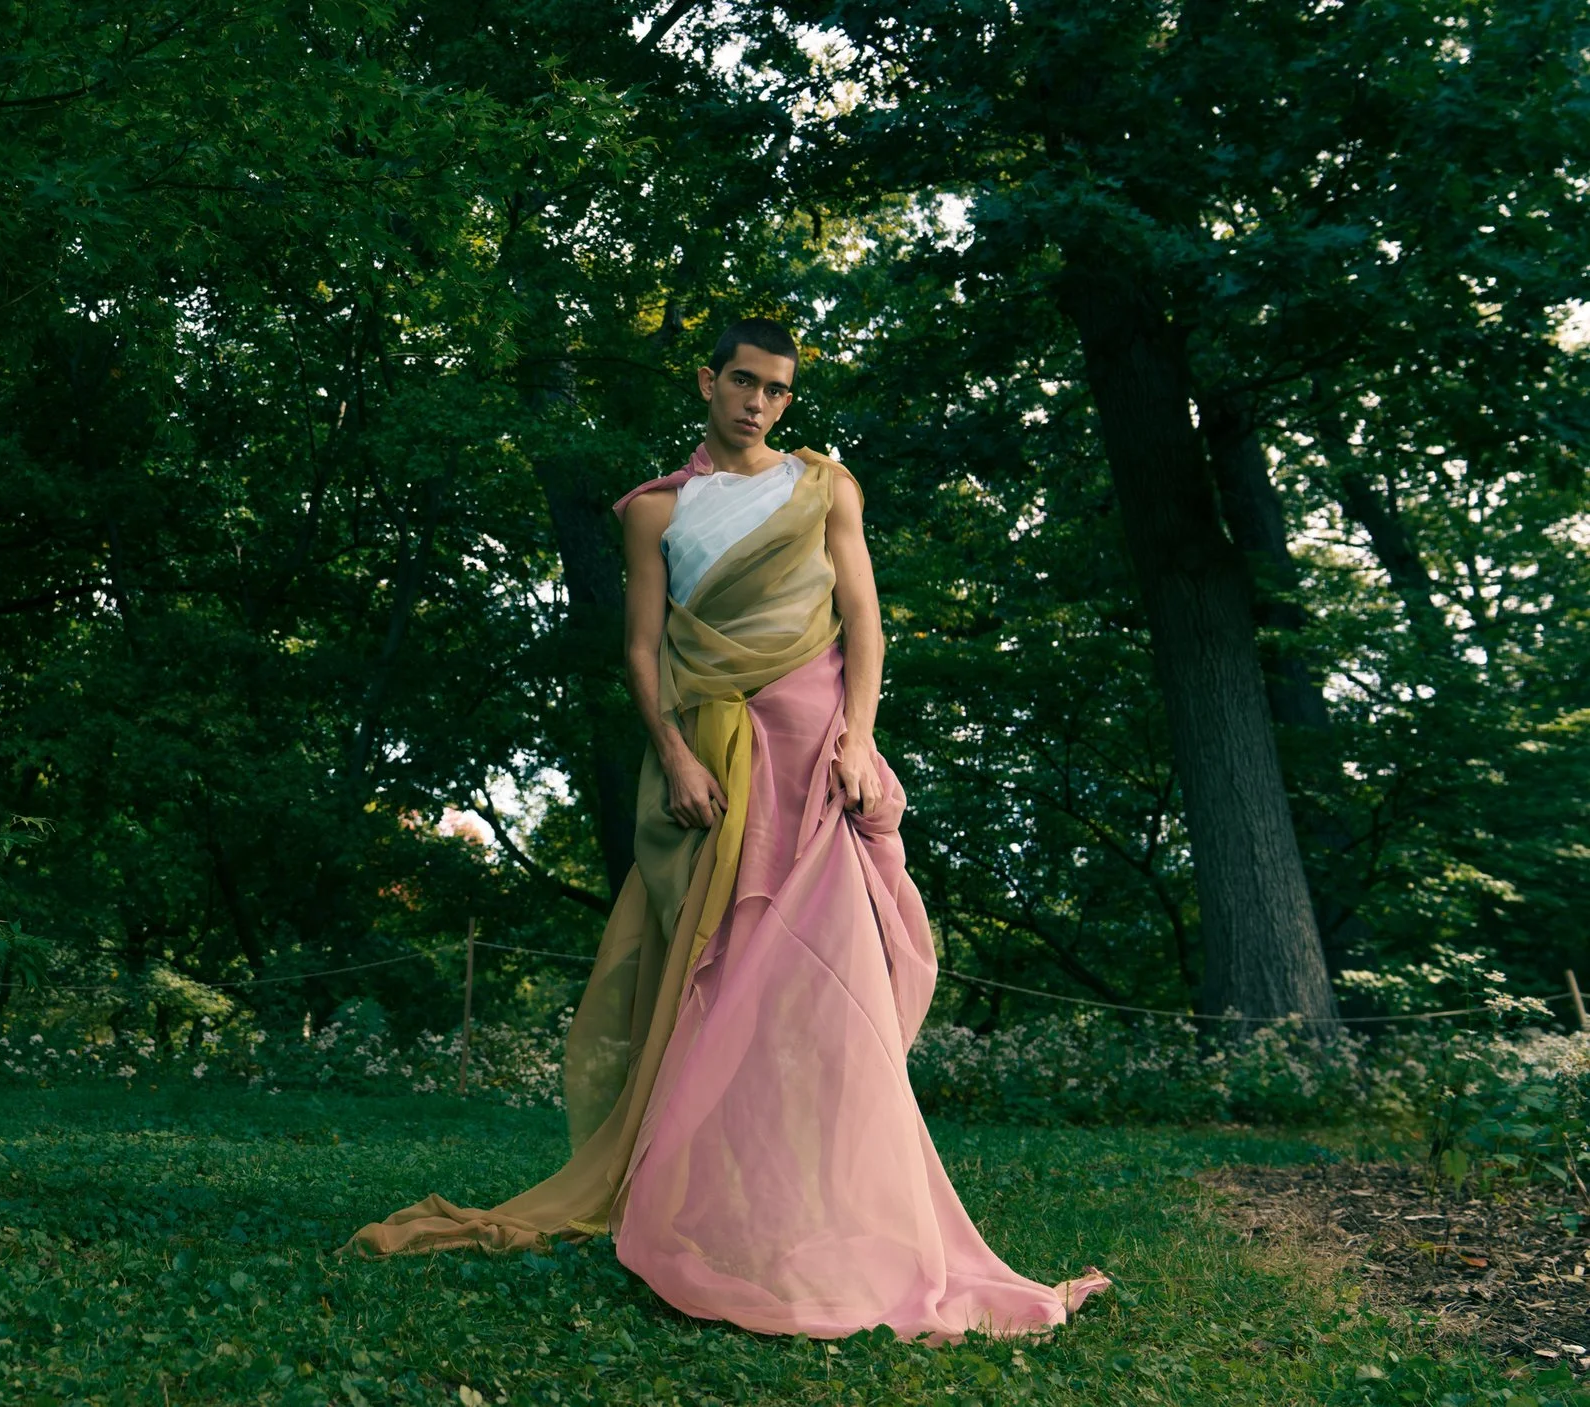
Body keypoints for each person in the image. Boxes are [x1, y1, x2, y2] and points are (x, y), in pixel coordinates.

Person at [347, 317, 1112, 1343]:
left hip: (817, 759)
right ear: (707, 383)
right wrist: (672, 756)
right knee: (722, 977)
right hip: (715, 759)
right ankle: (711, 1215)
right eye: (742, 382)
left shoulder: (823, 486)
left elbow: (866, 622)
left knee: (834, 991)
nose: (758, 403)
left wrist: (857, 737)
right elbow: (641, 649)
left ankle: (828, 1217)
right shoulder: (656, 511)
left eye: (777, 390)